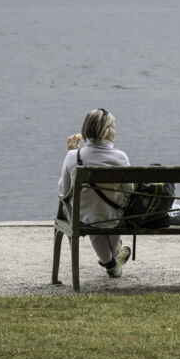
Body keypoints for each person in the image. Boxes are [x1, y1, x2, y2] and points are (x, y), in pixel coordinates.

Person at [58, 109, 132, 278]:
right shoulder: (120, 157)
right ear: (110, 131)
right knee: (107, 215)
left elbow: (63, 191)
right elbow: (129, 191)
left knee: (93, 216)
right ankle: (114, 263)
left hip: (83, 217)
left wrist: (71, 153)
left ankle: (111, 264)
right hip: (113, 215)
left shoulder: (72, 156)